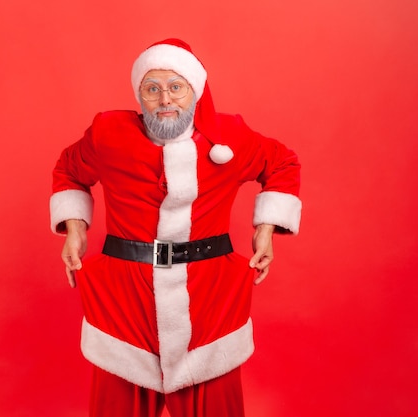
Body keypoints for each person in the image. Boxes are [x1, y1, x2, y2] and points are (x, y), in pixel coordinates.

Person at [50, 38, 301, 417]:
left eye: (175, 87)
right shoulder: (108, 135)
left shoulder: (229, 138)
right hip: (125, 297)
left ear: (195, 92)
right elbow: (69, 169)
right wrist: (74, 227)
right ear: (140, 95)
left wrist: (266, 227)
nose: (165, 99)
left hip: (210, 296)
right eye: (152, 89)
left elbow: (282, 164)